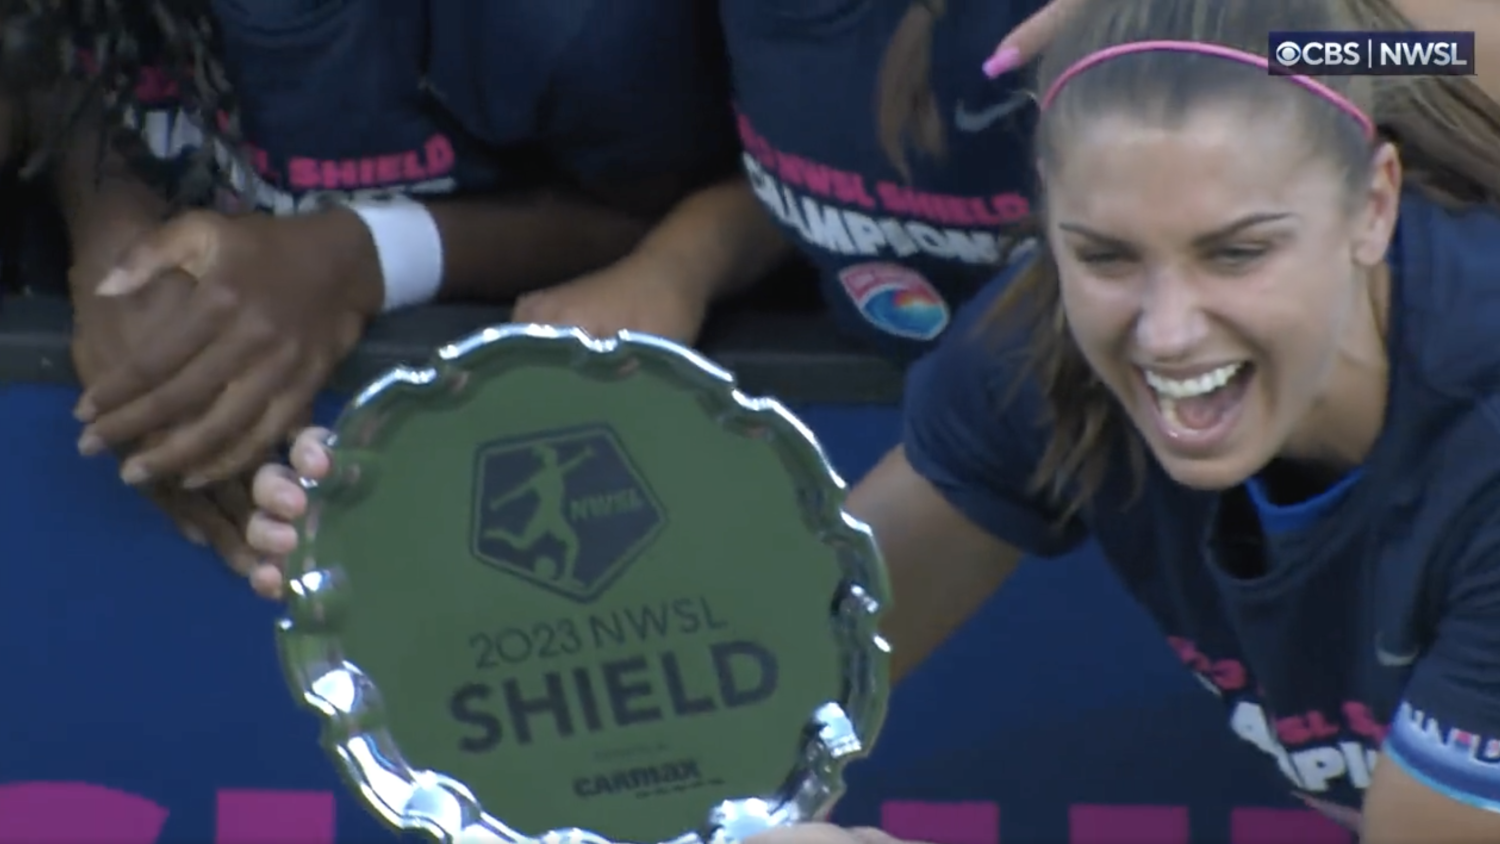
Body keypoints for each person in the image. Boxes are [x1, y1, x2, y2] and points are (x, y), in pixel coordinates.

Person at [249, 0, 1500, 835]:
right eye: (1106, 254)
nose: (1169, 330)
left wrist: (1305, 19)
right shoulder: (1040, 343)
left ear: (1374, 205)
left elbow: (1409, 53)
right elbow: (735, 690)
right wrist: (400, 569)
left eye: (1239, 252)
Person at [12, 0, 742, 569]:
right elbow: (43, 59)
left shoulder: (578, 28)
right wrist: (119, 238)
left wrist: (365, 257)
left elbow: (665, 209)